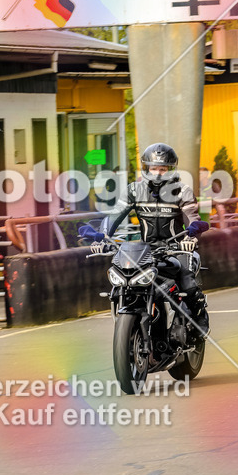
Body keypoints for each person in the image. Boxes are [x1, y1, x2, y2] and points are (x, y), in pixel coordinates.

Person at [79, 143, 210, 334]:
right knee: (126, 281)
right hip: (146, 250)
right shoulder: (133, 190)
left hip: (176, 247)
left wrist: (191, 236)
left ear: (170, 170)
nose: (157, 173)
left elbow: (193, 219)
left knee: (187, 284)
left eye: (162, 169)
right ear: (146, 168)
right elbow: (114, 216)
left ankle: (199, 317)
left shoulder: (182, 191)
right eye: (154, 168)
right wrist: (101, 237)